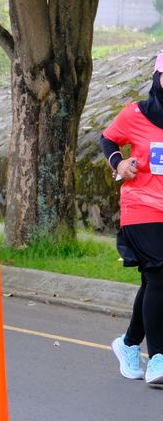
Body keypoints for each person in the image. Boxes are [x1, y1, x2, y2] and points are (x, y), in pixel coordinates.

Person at [102, 51, 163, 386]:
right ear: (158, 77)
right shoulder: (135, 114)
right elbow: (108, 138)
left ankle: (127, 345)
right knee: (160, 273)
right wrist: (119, 163)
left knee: (154, 281)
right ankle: (158, 358)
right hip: (141, 207)